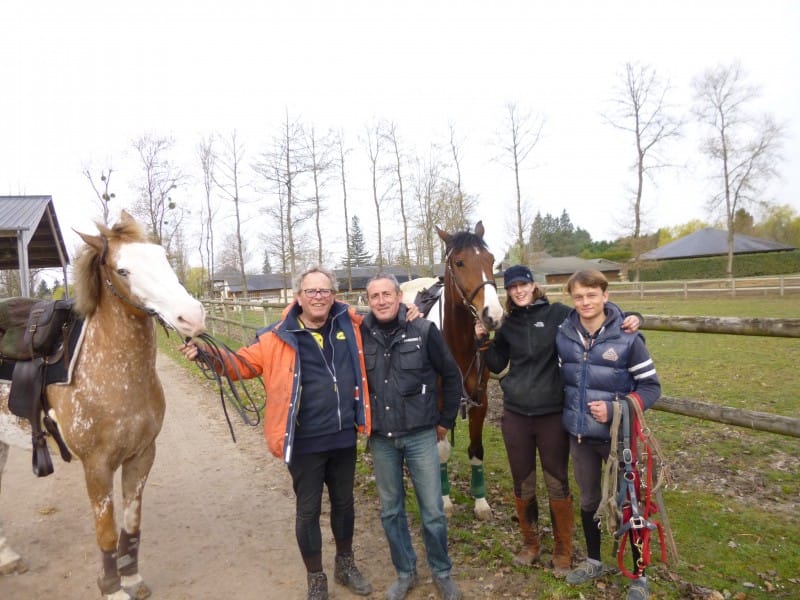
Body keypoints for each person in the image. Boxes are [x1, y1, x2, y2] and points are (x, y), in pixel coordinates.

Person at [179, 267, 372, 600]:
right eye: (311, 291)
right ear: (298, 296)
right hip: (303, 442)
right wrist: (207, 354)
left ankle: (345, 563)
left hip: (343, 437)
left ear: (333, 295)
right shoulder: (276, 336)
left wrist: (412, 310)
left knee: (344, 504)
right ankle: (316, 578)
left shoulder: (349, 326)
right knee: (308, 511)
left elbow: (387, 321)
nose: (318, 297)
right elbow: (240, 364)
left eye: (324, 291)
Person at [474, 265, 641, 575]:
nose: (519, 291)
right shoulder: (507, 324)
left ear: (533, 285)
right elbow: (497, 363)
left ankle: (563, 549)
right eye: (512, 287)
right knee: (522, 481)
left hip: (551, 413)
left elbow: (593, 310)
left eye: (523, 284)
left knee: (556, 481)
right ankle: (530, 543)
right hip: (515, 414)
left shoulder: (559, 314)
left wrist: (630, 316)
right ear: (507, 291)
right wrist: (483, 341)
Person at [556, 269, 661, 600]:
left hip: (619, 440)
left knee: (630, 502)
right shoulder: (564, 335)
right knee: (589, 501)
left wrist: (618, 409)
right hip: (580, 438)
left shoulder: (628, 338)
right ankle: (593, 560)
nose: (585, 302)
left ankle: (639, 575)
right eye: (578, 296)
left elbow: (652, 388)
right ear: (571, 299)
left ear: (605, 295)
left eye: (591, 295)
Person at [361, 273, 463, 600]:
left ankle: (441, 571)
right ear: (368, 300)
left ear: (398, 296)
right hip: (381, 438)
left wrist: (445, 421)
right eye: (374, 295)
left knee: (432, 510)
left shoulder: (423, 330)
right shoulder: (360, 334)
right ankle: (405, 572)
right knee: (391, 510)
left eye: (387, 294)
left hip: (420, 434)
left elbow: (451, 375)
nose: (381, 300)